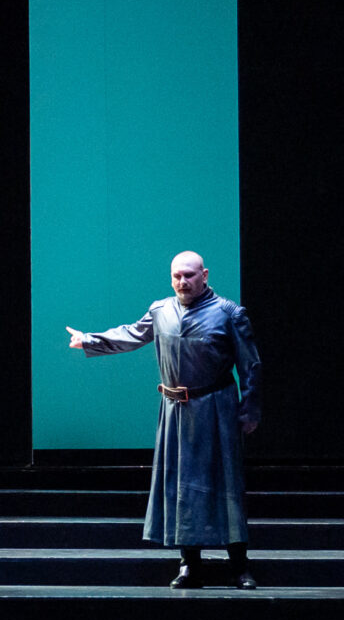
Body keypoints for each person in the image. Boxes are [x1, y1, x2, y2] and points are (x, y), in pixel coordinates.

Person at [67, 250, 263, 588]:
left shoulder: (229, 314)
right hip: (176, 412)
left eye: (189, 275)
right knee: (182, 487)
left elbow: (251, 365)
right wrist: (89, 340)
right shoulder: (161, 311)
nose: (182, 282)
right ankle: (190, 564)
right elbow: (131, 334)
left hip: (216, 409)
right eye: (177, 276)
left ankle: (239, 565)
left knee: (225, 486)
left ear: (204, 275)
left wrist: (249, 410)